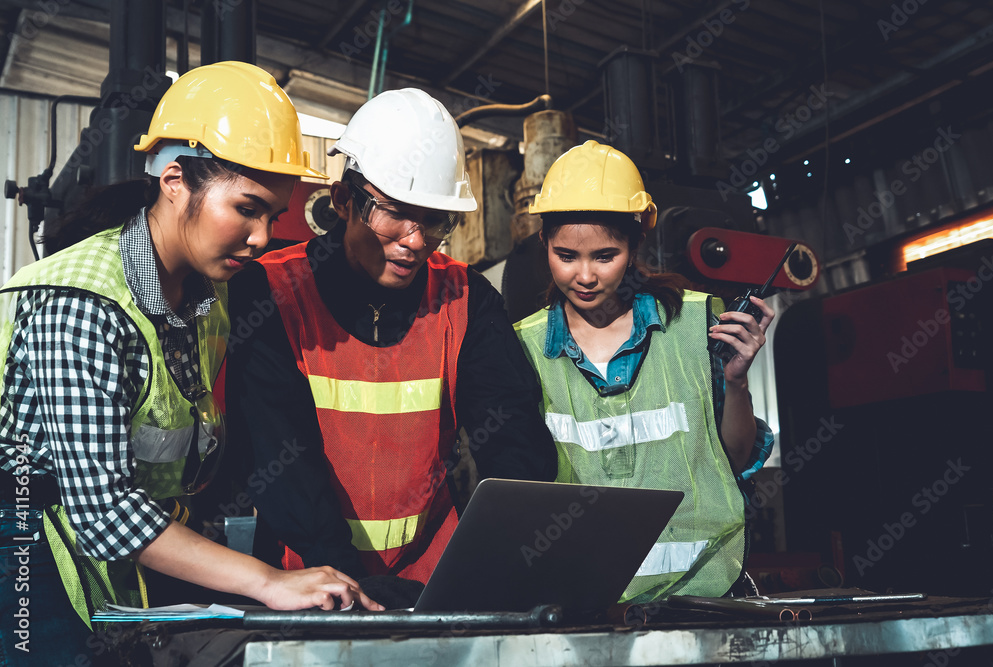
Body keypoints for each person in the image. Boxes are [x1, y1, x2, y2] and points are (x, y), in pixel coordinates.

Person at [0, 61, 381, 666]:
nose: (261, 238)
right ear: (174, 179)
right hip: (26, 545)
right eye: (246, 209)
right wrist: (268, 581)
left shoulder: (209, 295)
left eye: (272, 216)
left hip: (131, 539)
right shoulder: (80, 304)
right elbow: (101, 511)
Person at [225, 88, 557, 605]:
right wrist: (345, 582)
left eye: (434, 221)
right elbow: (278, 458)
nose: (416, 239)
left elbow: (514, 443)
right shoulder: (269, 294)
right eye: (396, 213)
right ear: (342, 201)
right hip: (308, 581)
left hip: (437, 585)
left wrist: (499, 564)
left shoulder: (467, 299)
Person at [513, 140, 775, 603]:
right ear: (544, 244)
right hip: (580, 603)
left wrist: (737, 384)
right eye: (566, 256)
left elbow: (731, 460)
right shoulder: (523, 346)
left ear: (634, 246)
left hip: (701, 595)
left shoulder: (694, 324)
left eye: (605, 255)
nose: (586, 276)